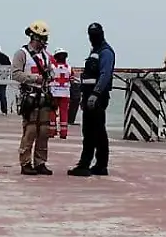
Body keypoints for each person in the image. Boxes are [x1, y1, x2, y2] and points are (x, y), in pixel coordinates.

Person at [69, 22, 116, 177]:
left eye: (95, 35)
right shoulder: (94, 51)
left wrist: (95, 94)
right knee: (93, 131)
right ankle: (98, 165)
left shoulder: (106, 52)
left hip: (97, 96)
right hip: (89, 95)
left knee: (94, 131)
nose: (92, 38)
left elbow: (105, 75)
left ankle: (87, 164)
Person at [12, 21, 55, 175]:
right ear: (34, 37)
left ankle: (40, 162)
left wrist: (50, 75)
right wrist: (34, 78)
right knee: (30, 130)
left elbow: (51, 71)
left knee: (44, 131)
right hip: (29, 96)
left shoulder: (46, 55)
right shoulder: (21, 54)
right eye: (42, 39)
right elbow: (15, 74)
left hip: (44, 96)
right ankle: (25, 162)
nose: (44, 42)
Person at [48, 48, 73, 139]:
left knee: (52, 112)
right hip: (65, 93)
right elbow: (72, 79)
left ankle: (51, 131)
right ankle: (63, 133)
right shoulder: (69, 68)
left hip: (53, 93)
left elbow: (48, 78)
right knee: (64, 113)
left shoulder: (52, 67)